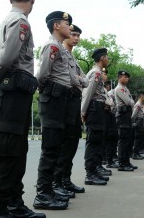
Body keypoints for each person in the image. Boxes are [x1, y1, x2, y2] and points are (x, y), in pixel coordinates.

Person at [0, 0, 44, 218]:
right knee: (7, 154)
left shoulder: (9, 20)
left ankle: (14, 204)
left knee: (17, 152)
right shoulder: (20, 22)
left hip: (15, 95)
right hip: (11, 94)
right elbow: (7, 57)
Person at [34, 11, 75, 210]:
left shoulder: (59, 48)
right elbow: (42, 74)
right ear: (56, 26)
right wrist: (46, 91)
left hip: (60, 99)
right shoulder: (51, 46)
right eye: (67, 24)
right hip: (53, 98)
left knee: (56, 147)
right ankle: (42, 194)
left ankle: (48, 191)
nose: (70, 27)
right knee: (50, 149)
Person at [53, 24, 87, 195]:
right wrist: (79, 79)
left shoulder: (73, 59)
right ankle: (57, 182)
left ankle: (66, 179)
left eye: (78, 35)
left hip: (75, 100)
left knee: (72, 142)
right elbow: (75, 80)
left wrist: (79, 79)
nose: (76, 38)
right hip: (65, 100)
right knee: (64, 142)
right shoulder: (61, 53)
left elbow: (85, 81)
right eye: (73, 34)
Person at [81, 48, 110, 185]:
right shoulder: (96, 73)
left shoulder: (97, 73)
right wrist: (83, 111)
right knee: (93, 142)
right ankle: (90, 174)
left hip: (98, 110)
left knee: (97, 141)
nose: (108, 60)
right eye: (107, 57)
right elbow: (88, 93)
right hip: (94, 109)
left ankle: (95, 171)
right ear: (102, 58)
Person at [115, 70, 136, 171]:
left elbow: (132, 102)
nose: (126, 79)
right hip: (122, 116)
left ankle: (127, 162)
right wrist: (132, 102)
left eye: (127, 77)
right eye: (124, 77)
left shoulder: (125, 89)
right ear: (120, 77)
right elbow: (129, 102)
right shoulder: (119, 89)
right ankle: (122, 164)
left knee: (128, 140)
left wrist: (132, 102)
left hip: (127, 116)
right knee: (123, 141)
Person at [131, 92, 144, 160]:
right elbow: (133, 115)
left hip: (141, 122)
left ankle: (137, 153)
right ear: (141, 96)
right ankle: (135, 154)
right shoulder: (138, 105)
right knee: (137, 139)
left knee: (139, 139)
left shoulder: (141, 105)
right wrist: (133, 123)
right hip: (138, 122)